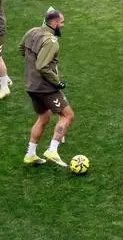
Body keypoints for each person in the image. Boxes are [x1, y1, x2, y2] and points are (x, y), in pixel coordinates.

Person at [20, 9, 74, 167]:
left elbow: (21, 49)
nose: (63, 25)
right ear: (55, 23)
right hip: (45, 88)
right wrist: (57, 82)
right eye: (62, 22)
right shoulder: (51, 41)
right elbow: (42, 66)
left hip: (31, 85)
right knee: (67, 115)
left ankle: (30, 154)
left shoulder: (32, 31)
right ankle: (52, 150)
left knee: (43, 118)